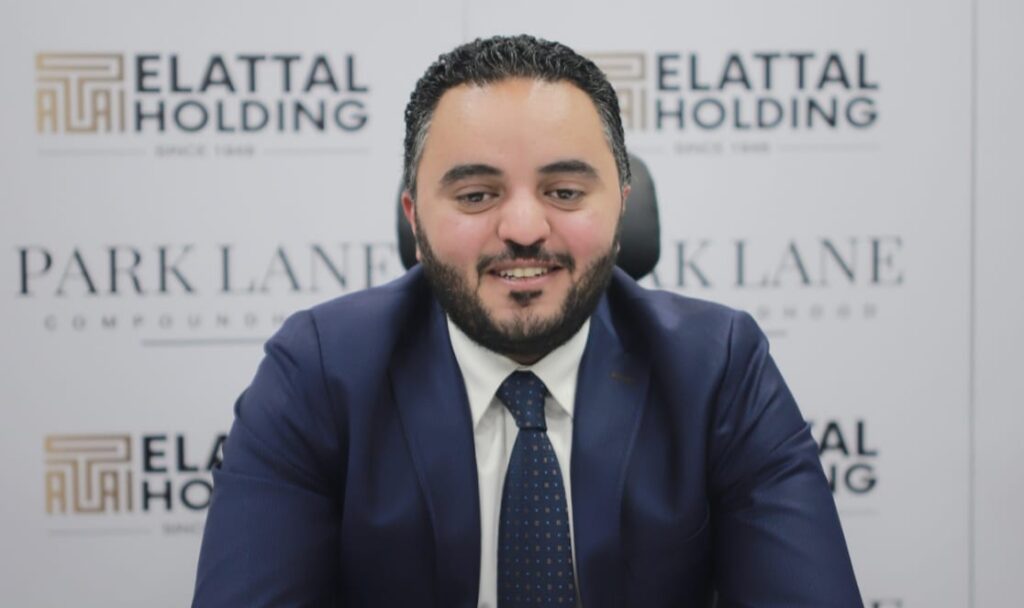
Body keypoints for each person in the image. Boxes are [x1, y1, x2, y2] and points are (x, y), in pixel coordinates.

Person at [192, 35, 861, 607]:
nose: (522, 228)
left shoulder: (718, 369)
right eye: (476, 195)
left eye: (564, 192)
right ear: (415, 221)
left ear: (620, 208)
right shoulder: (318, 373)